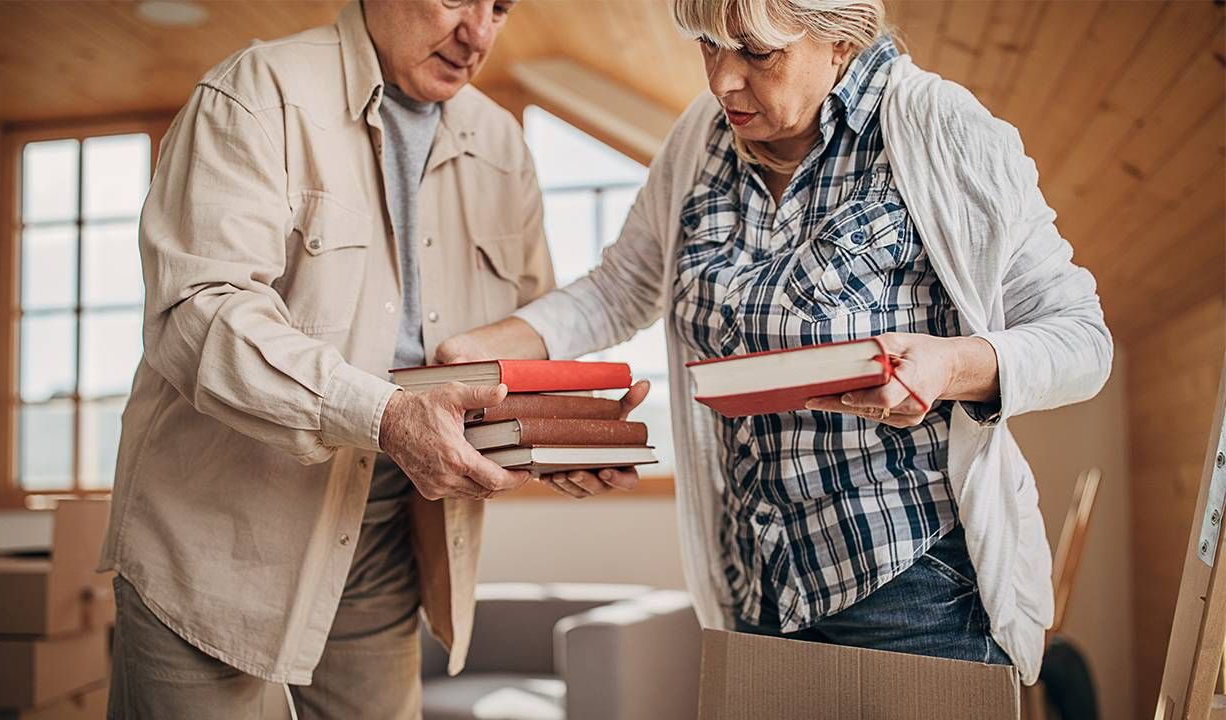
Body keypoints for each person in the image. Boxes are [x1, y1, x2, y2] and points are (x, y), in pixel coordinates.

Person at [437, 0, 1113, 684]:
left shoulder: (941, 128)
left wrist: (950, 365)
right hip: (755, 591)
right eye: (707, 46)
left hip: (917, 595)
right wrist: (488, 350)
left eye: (757, 52)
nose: (721, 81)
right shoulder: (697, 142)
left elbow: (1081, 339)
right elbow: (619, 288)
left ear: (841, 42)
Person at [98, 1, 556, 717]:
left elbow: (525, 328)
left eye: (500, 6)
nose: (479, 35)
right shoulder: (256, 92)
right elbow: (198, 313)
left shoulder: (503, 144)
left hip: (384, 542)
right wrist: (385, 416)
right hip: (213, 543)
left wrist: (555, 439)